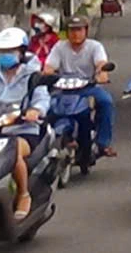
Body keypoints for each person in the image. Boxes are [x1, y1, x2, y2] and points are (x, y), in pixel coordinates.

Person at [0, 28, 49, 219]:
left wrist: (35, 111)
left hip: (23, 130)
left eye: (10, 51)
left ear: (22, 52)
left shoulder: (32, 75)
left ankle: (24, 194)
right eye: (1, 52)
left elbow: (42, 98)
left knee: (11, 152)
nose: (4, 55)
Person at [43, 17, 115, 158]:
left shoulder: (95, 46)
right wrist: (47, 74)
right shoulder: (59, 47)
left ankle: (103, 143)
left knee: (106, 101)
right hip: (63, 88)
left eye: (79, 30)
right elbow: (49, 66)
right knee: (46, 106)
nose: (75, 34)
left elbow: (101, 63)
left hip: (87, 87)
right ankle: (45, 141)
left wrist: (102, 74)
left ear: (86, 31)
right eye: (72, 30)